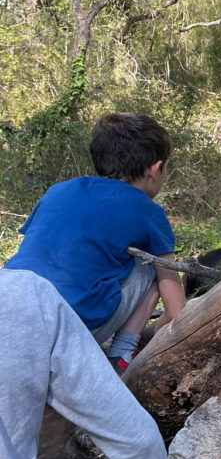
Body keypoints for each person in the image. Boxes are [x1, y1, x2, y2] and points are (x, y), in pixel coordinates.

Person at [6, 112, 186, 375]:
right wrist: (158, 334)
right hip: (71, 329)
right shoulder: (148, 211)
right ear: (155, 169)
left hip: (10, 309)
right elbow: (176, 310)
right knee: (153, 268)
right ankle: (122, 353)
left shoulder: (58, 190)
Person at [0, 267, 176, 459]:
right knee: (151, 274)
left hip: (43, 321)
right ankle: (121, 355)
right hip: (51, 321)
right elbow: (139, 440)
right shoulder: (25, 292)